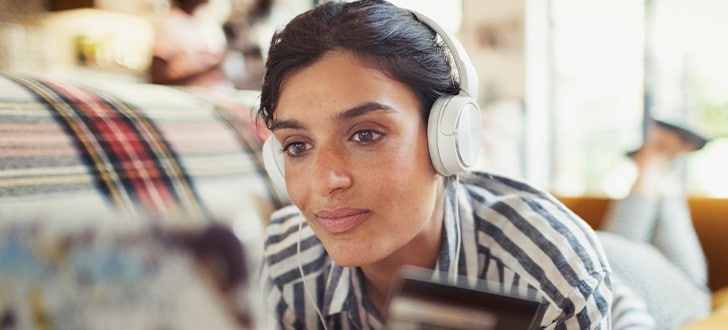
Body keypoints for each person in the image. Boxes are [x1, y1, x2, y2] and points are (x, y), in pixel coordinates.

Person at [254, 1, 654, 328]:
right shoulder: (288, 260)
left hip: (635, 298)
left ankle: (655, 166)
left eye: (366, 135)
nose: (326, 181)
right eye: (297, 146)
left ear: (447, 137)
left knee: (644, 251)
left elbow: (572, 274)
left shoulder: (557, 274)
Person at [597, 119, 711, 329]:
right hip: (609, 265)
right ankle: (655, 164)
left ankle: (655, 162)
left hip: (607, 271)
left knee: (617, 246)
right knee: (621, 243)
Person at [149, 0, 233, 94]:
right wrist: (207, 72)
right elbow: (158, 77)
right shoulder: (171, 23)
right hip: (186, 101)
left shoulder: (206, 24)